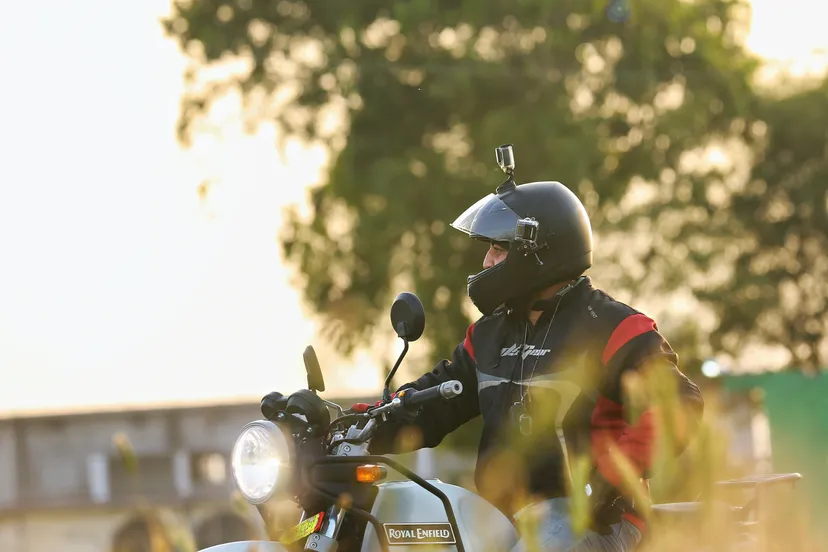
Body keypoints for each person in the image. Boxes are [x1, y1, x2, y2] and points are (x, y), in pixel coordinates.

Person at [351, 177, 705, 551]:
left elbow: (679, 405)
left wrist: (605, 482)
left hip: (597, 519)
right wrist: (354, 424)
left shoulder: (614, 328)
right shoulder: (488, 336)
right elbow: (433, 401)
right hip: (501, 517)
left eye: (499, 249)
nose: (487, 261)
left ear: (538, 252)